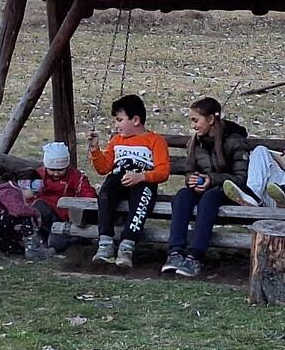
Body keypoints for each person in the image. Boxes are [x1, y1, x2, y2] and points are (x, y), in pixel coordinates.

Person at [163, 97, 250, 279]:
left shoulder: (234, 141)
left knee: (209, 199)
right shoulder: (196, 142)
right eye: (191, 121)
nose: (193, 126)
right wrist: (192, 180)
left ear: (210, 120)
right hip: (203, 188)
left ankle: (196, 256)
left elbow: (241, 178)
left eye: (196, 120)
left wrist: (212, 179)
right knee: (182, 196)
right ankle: (175, 252)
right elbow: (189, 170)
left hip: (228, 190)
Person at [88, 94, 171, 268]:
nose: (116, 125)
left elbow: (163, 171)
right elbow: (103, 168)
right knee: (105, 194)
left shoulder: (155, 141)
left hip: (143, 180)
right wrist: (95, 150)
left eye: (119, 120)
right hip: (118, 178)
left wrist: (142, 176)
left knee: (142, 200)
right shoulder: (116, 141)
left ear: (135, 120)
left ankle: (127, 245)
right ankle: (105, 243)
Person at [30, 141, 94, 257]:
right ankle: (39, 238)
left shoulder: (75, 176)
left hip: (64, 216)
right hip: (44, 213)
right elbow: (29, 193)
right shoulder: (39, 175)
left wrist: (86, 201)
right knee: (38, 207)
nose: (55, 173)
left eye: (60, 170)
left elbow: (87, 193)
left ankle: (76, 240)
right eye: (52, 170)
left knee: (56, 243)